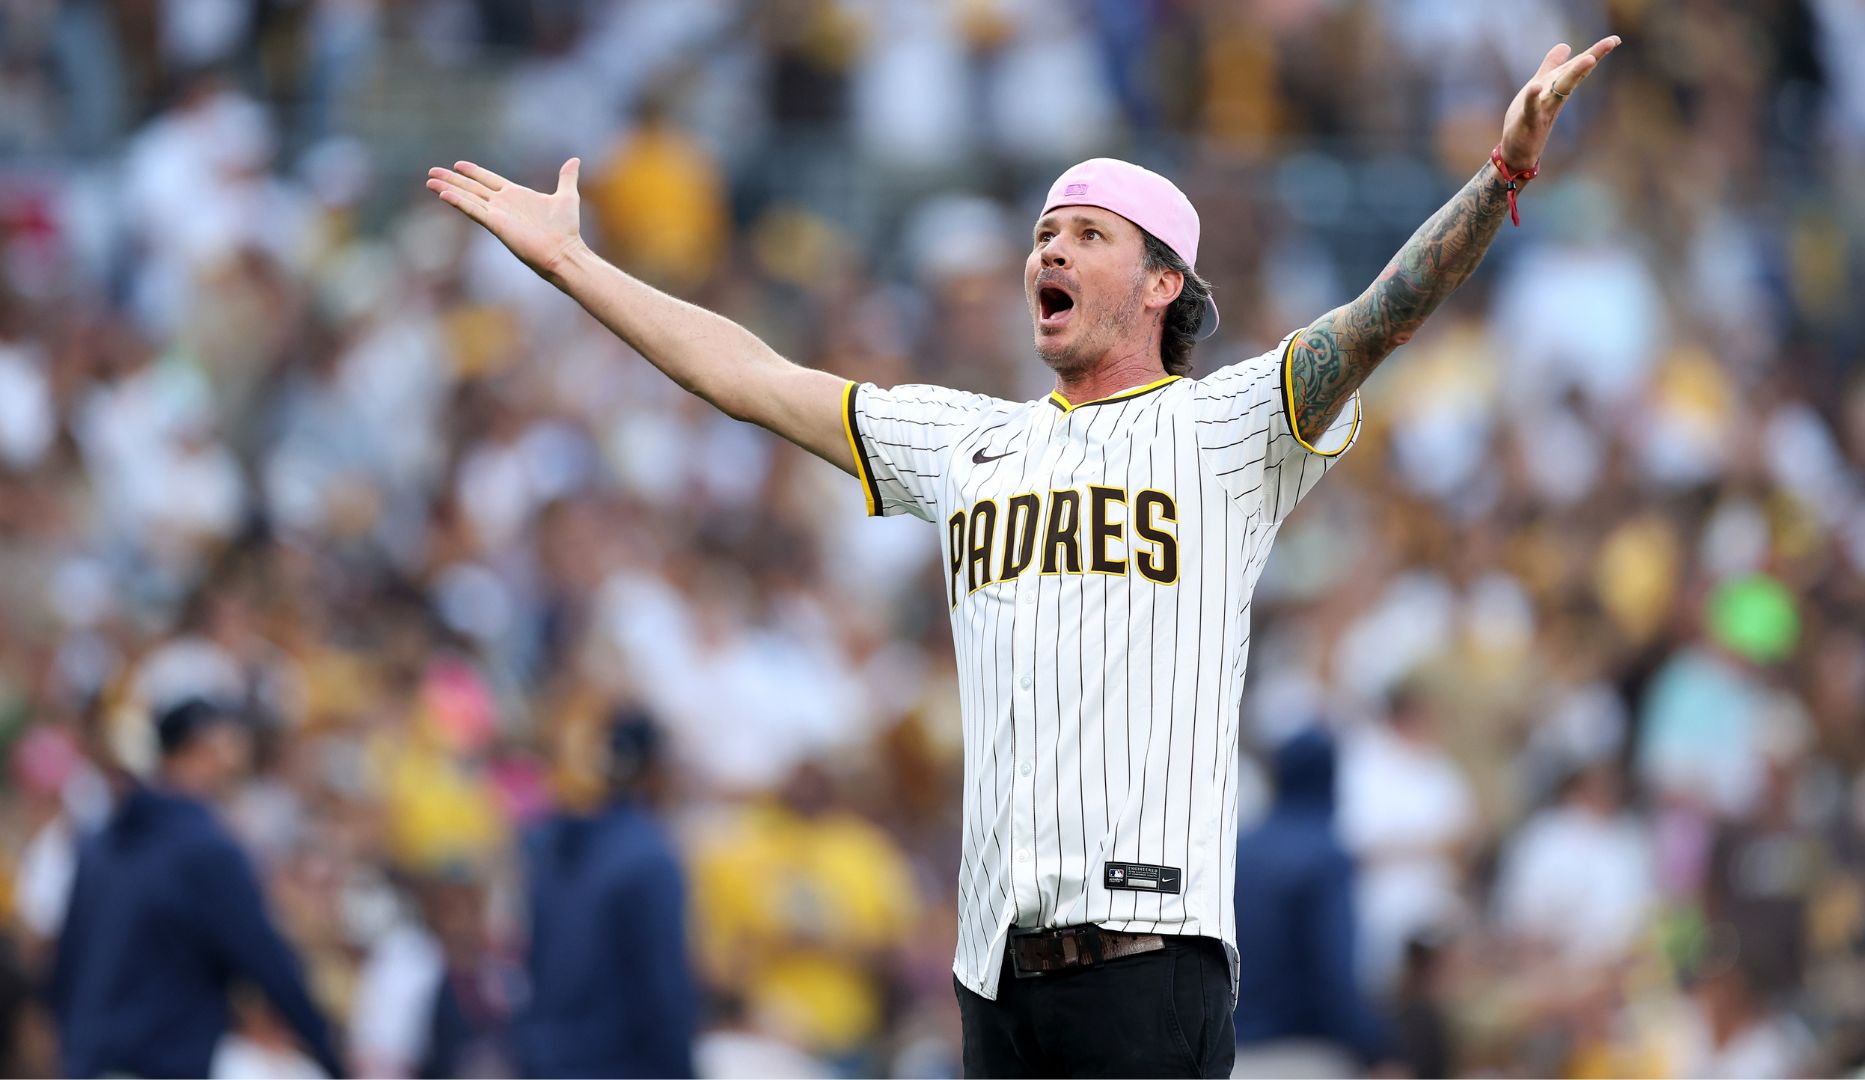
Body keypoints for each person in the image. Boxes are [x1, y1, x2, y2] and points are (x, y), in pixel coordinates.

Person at [427, 34, 1619, 1076]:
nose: (1050, 250)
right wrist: (575, 265)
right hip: (993, 978)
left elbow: (1381, 316)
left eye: (1088, 235)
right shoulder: (967, 441)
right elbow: (753, 377)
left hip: (1150, 962)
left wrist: (1501, 175)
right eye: (1045, 233)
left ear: (1163, 283)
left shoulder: (1228, 427)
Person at [48, 699, 345, 1079]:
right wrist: (333, 1056)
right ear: (202, 750)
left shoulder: (100, 843)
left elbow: (65, 969)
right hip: (159, 1064)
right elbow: (269, 964)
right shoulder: (206, 851)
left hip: (88, 1062)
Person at [513, 707, 697, 1078]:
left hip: (544, 1060)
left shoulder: (552, 846)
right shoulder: (649, 859)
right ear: (653, 769)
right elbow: (663, 991)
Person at [1234, 728, 1391, 1076]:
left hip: (1227, 1054)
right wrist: (1375, 1046)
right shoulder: (1325, 856)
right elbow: (1332, 973)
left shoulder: (1239, 849)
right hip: (1302, 1056)